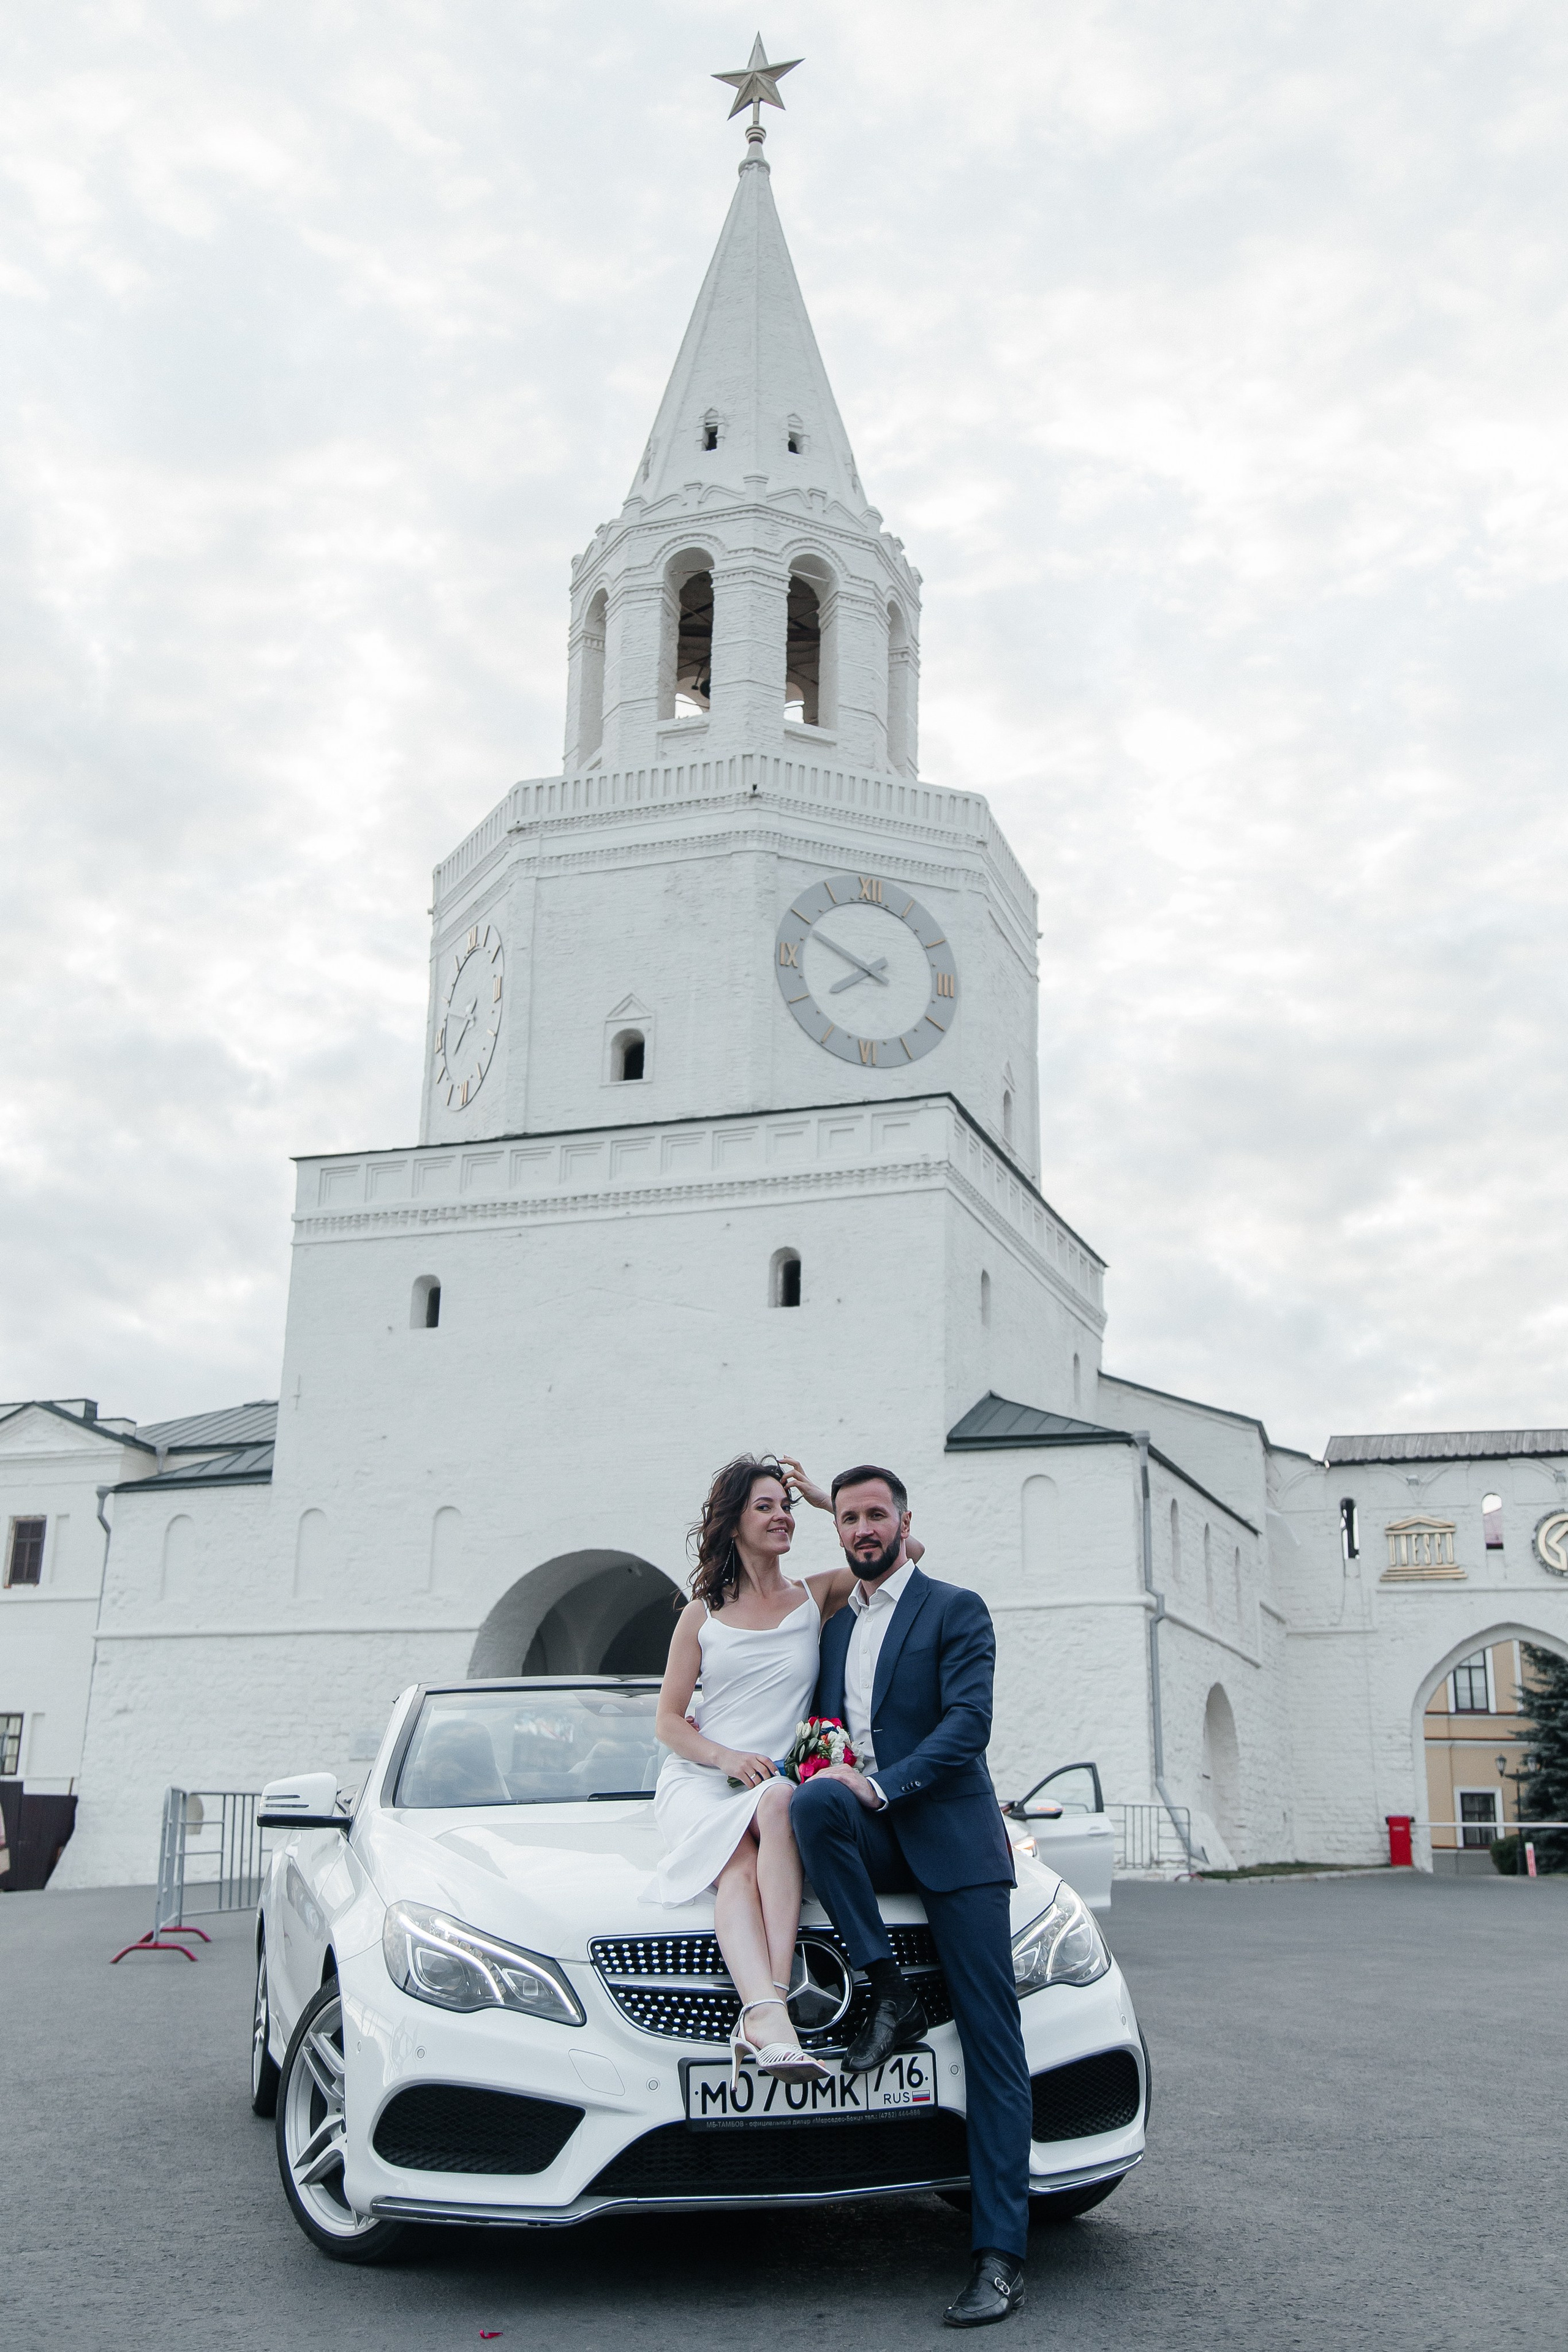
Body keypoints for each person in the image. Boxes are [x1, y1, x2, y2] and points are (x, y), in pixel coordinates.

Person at [789, 1464, 1033, 2331]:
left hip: (953, 1841)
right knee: (811, 1800)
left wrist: (885, 1787)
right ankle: (887, 1990)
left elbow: (968, 1727)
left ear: (903, 1522)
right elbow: (818, 1744)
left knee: (994, 2044)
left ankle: (999, 2256)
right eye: (848, 1517)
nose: (862, 1528)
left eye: (875, 1515)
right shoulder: (829, 1631)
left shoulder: (954, 1608)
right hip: (873, 1831)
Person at [644, 1454, 854, 2084]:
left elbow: (907, 1553)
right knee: (736, 1866)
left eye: (785, 1506)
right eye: (764, 1506)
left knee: (777, 1801)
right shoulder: (700, 1614)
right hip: (702, 1781)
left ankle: (769, 2002)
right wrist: (725, 1757)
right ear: (732, 1523)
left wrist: (826, 1500)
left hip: (771, 1785)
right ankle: (770, 2014)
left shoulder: (814, 1595)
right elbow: (669, 1721)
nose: (781, 1516)